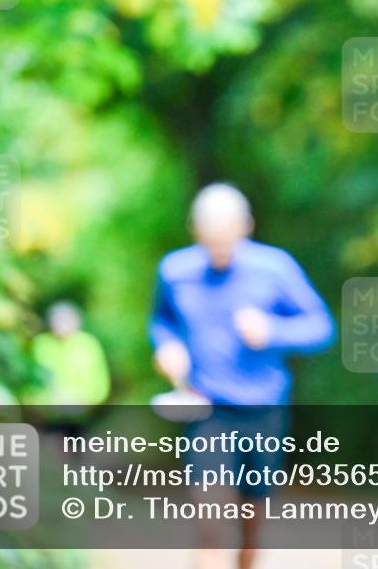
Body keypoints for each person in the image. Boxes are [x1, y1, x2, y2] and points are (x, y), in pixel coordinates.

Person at [149, 182, 334, 569]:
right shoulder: (175, 271)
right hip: (206, 408)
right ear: (194, 230)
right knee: (209, 520)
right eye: (210, 235)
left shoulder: (275, 268)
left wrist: (273, 330)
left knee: (252, 522)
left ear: (245, 226)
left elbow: (322, 327)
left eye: (226, 234)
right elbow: (160, 322)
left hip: (263, 407)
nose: (218, 245)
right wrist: (166, 346)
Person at [24, 300, 111, 432]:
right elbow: (30, 380)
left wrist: (89, 401)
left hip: (81, 414)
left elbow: (100, 381)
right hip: (48, 415)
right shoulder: (40, 345)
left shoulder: (88, 345)